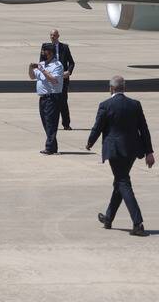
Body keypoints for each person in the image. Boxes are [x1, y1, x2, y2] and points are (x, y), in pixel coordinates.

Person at [87, 76, 154, 236]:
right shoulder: (134, 105)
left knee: (123, 182)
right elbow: (144, 129)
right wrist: (149, 152)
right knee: (120, 181)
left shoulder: (105, 105)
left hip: (115, 150)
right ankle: (108, 218)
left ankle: (138, 223)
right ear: (124, 88)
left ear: (111, 88)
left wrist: (90, 142)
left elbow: (98, 127)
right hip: (132, 150)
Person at [31, 44, 65, 155]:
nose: (42, 54)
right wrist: (31, 68)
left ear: (50, 52)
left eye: (44, 52)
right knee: (45, 122)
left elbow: (54, 80)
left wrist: (42, 70)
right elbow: (32, 76)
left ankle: (50, 147)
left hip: (53, 97)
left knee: (51, 122)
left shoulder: (57, 65)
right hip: (43, 98)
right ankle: (52, 146)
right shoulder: (41, 64)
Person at [41, 29, 76, 130]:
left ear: (58, 36)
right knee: (50, 102)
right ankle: (50, 123)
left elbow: (72, 62)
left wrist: (68, 72)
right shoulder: (45, 47)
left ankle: (66, 124)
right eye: (51, 35)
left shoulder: (64, 47)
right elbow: (41, 62)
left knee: (63, 101)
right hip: (49, 79)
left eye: (54, 35)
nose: (53, 37)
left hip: (62, 78)